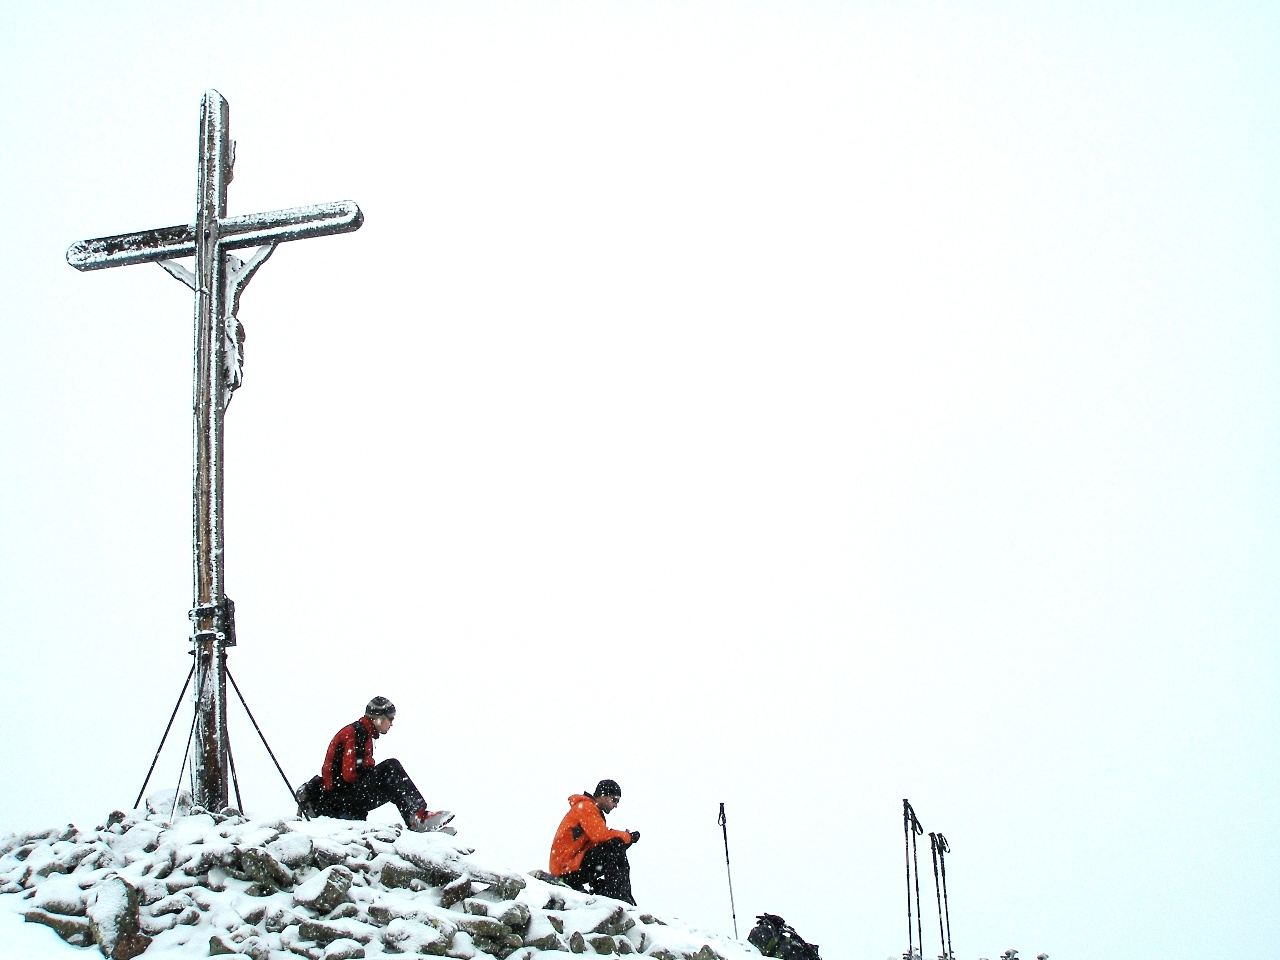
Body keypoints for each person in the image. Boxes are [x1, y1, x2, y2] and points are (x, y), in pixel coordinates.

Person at [295, 697, 452, 833]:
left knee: (390, 780)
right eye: (390, 719)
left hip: (341, 798)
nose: (391, 724)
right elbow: (350, 775)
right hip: (340, 799)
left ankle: (415, 818)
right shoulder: (357, 732)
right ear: (379, 718)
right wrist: (371, 772)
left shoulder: (363, 733)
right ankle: (417, 818)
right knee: (392, 768)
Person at [549, 779, 639, 904]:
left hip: (570, 867)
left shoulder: (591, 810)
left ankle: (613, 892)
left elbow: (597, 843)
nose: (615, 805)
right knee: (615, 845)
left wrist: (624, 840)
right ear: (603, 795)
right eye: (615, 800)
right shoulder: (586, 807)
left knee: (614, 846)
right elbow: (600, 836)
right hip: (565, 869)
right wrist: (627, 837)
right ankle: (618, 896)